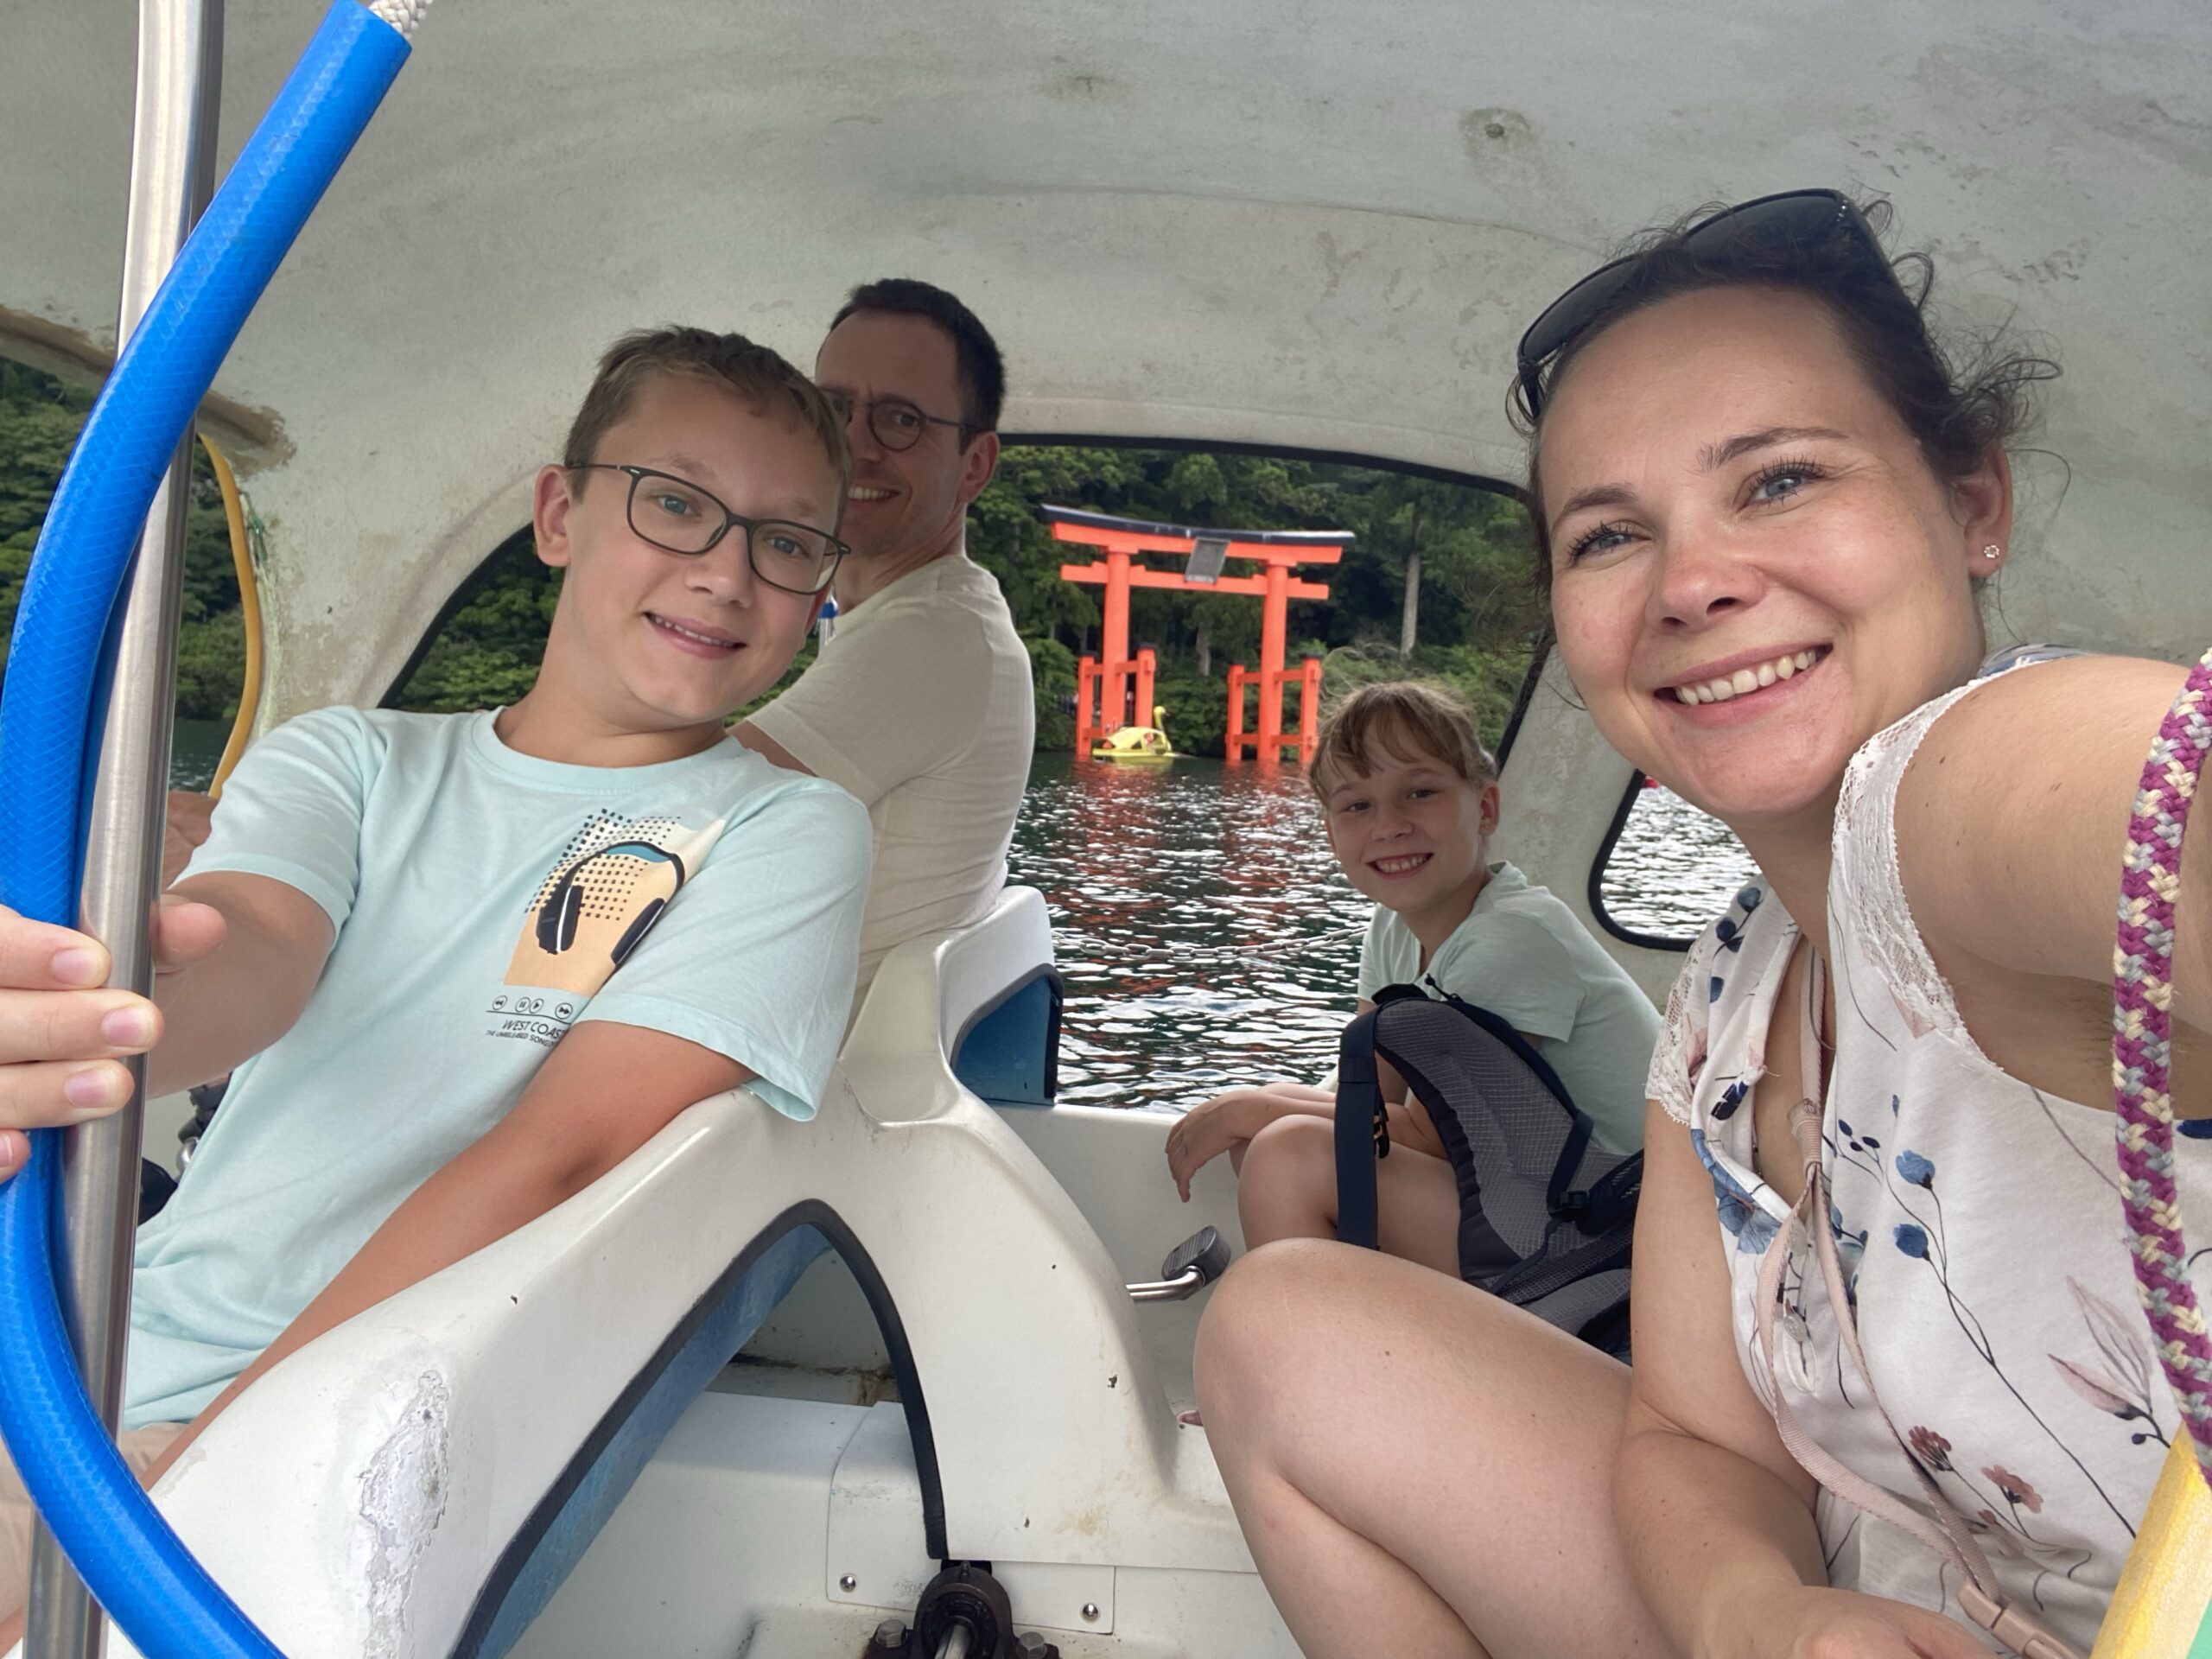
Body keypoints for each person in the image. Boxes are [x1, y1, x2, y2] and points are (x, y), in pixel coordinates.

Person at [1193, 189, 2210, 1659]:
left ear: (1972, 505)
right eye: (1611, 535)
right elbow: (1693, 1440)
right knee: (1282, 1330)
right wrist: (1764, 1617)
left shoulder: (1965, 787)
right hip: (1881, 1594)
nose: (1689, 583)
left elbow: (2153, 814)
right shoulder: (1738, 973)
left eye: (1781, 480)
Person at [0, 325, 874, 1629]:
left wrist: (215, 1452)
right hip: (90, 1339)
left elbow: (562, 1155)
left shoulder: (785, 831)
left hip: (326, 1417)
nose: (726, 573)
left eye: (787, 542)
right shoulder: (347, 761)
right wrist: (106, 1003)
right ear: (558, 514)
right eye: (676, 504)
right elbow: (255, 947)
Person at [1164, 680, 1659, 1281]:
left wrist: (1252, 1106)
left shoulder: (1511, 939)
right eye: (1357, 806)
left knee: (1286, 1157)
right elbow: (1368, 1096)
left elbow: (1432, 1135)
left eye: (1420, 792)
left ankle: (1327, 1336)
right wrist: (1252, 1109)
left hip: (1620, 1236)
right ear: (1331, 833)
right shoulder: (1394, 928)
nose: (1390, 825)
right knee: (1265, 1142)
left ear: (1485, 808)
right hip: (1544, 1198)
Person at [735, 278, 1034, 1002]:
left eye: (901, 420)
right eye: (833, 408)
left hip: (795, 1058)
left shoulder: (934, 637)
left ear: (974, 466)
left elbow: (674, 816)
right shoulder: (923, 616)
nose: (853, 443)